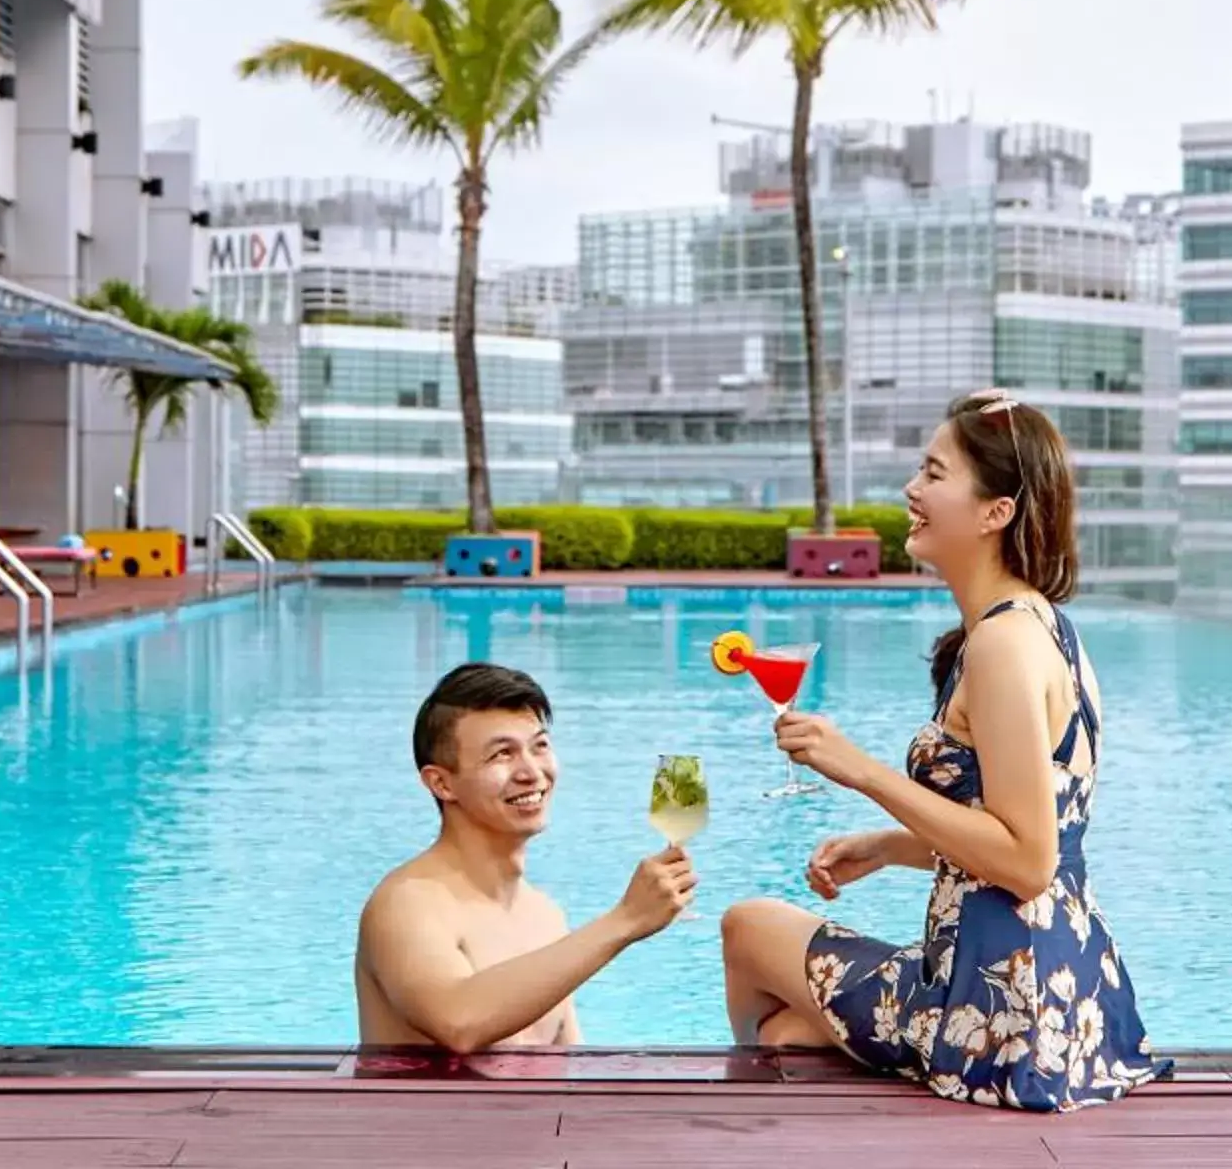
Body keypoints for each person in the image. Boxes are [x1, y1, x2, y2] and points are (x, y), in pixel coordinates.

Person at [717, 390, 1169, 1111]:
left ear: (996, 512)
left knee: (747, 930)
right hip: (1067, 989)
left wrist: (859, 770)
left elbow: (1026, 862)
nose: (912, 489)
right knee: (790, 1024)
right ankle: (791, 1053)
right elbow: (1028, 830)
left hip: (997, 1010)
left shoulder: (1002, 645)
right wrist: (889, 846)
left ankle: (749, 1102)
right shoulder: (1045, 628)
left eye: (933, 473)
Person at [356, 661, 695, 1051]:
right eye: (502, 755)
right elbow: (458, 1022)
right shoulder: (407, 904)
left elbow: (572, 1063)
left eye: (540, 746)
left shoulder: (544, 915)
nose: (531, 772)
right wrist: (626, 919)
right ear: (441, 783)